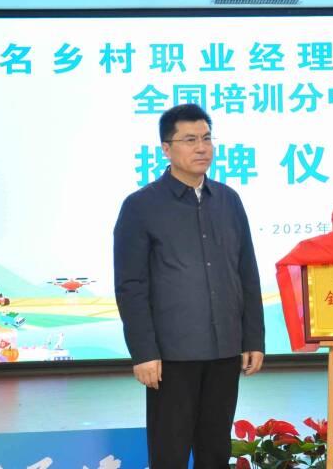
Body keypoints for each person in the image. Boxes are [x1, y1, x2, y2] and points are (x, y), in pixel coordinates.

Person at [113, 103, 265, 469]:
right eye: (190, 140)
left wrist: (253, 338)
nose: (202, 148)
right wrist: (143, 352)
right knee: (170, 453)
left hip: (224, 349)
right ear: (166, 149)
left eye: (207, 138)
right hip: (171, 356)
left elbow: (247, 272)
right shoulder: (141, 206)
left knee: (216, 452)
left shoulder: (228, 200)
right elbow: (131, 285)